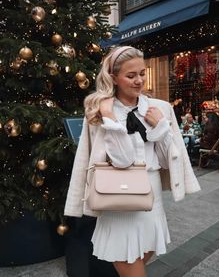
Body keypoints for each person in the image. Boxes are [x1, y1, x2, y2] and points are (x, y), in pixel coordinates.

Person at [64, 46, 201, 277]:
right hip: (118, 199)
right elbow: (123, 160)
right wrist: (110, 120)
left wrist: (160, 127)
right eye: (130, 75)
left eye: (142, 73)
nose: (139, 81)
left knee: (141, 256)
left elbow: (168, 158)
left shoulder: (161, 108)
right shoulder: (100, 112)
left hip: (151, 196)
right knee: (129, 265)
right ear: (113, 78)